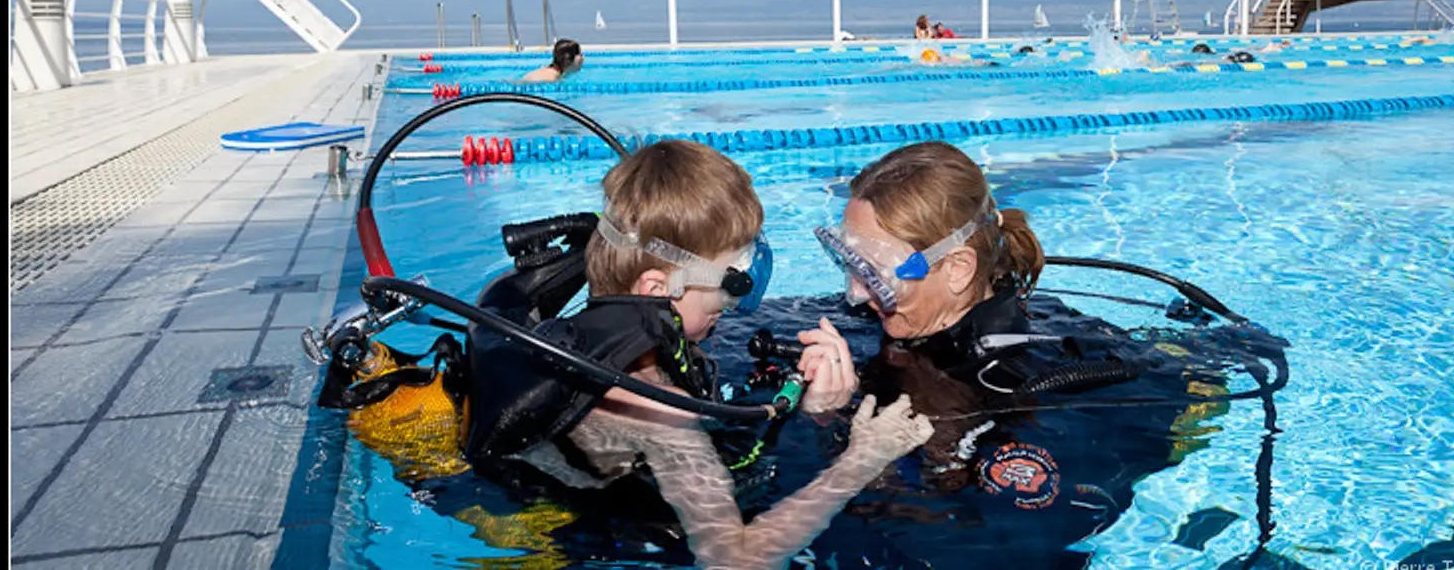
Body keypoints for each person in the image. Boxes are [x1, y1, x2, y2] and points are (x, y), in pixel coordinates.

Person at [328, 140, 933, 569]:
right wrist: (860, 456)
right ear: (654, 291)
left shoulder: (565, 337)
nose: (738, 297)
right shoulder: (659, 407)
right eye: (734, 279)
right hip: (554, 538)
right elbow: (734, 561)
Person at [791, 141, 1278, 567]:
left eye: (874, 273)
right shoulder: (896, 321)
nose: (854, 294)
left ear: (958, 269)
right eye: (846, 261)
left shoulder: (1034, 399)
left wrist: (831, 429)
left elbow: (996, 552)